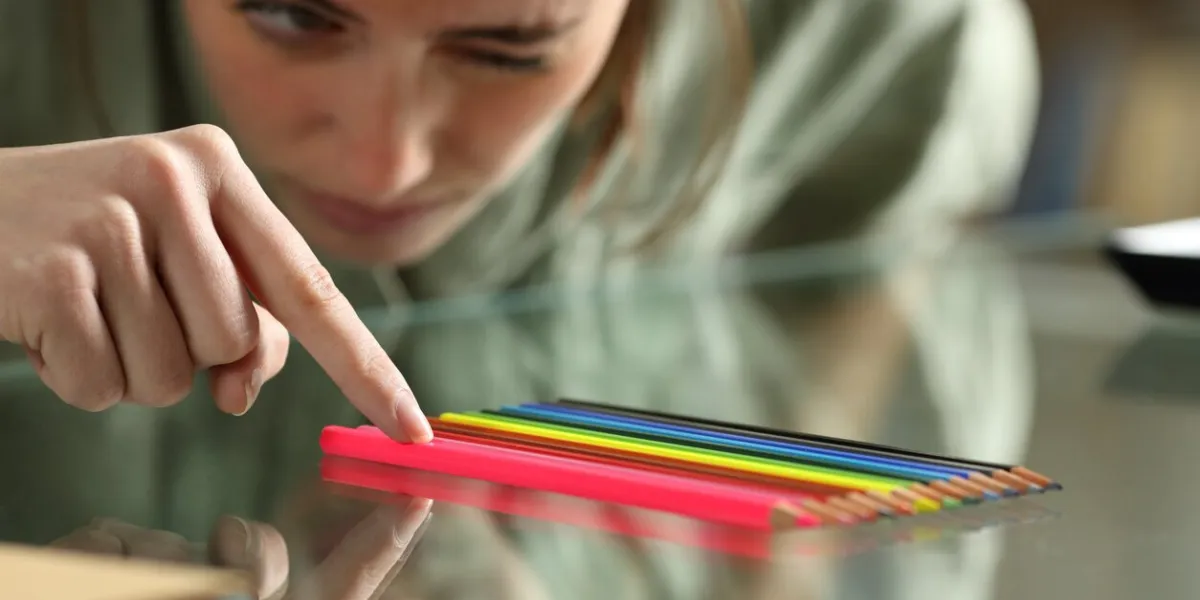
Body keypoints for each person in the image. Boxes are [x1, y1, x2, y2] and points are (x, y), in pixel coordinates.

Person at [0, 0, 1040, 443]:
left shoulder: (874, 26)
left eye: (507, 51)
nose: (385, 159)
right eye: (291, 14)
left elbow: (874, 270)